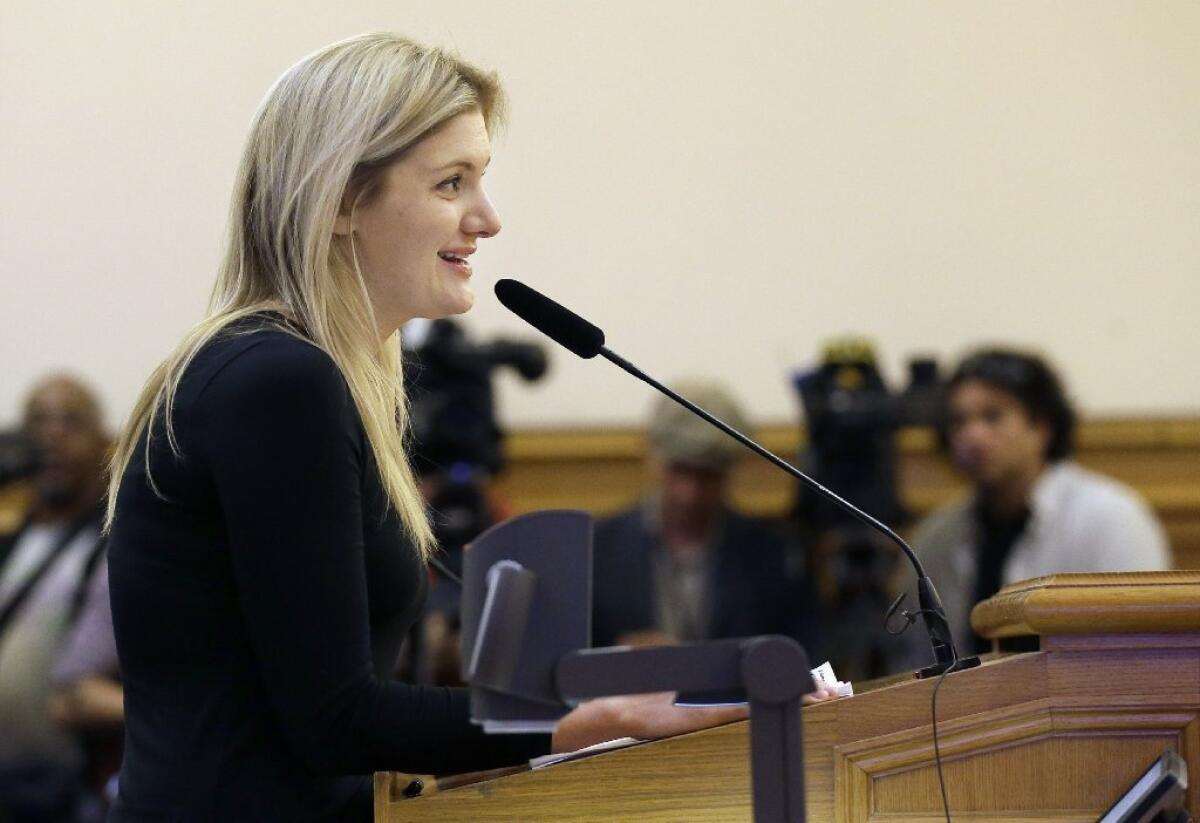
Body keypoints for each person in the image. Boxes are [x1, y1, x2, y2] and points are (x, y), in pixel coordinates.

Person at [103, 34, 837, 823]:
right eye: (452, 183)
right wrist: (593, 716)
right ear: (343, 200)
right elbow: (333, 720)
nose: (487, 219)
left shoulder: (293, 373)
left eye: (479, 180)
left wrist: (589, 697)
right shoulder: (279, 381)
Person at [910, 348, 1171, 655]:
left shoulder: (1111, 517)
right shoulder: (936, 536)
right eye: (959, 421)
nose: (973, 435)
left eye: (992, 416)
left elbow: (1144, 647)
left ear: (1041, 427)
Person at [591, 379, 823, 656]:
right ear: (650, 455)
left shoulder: (774, 556)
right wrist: (613, 662)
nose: (690, 494)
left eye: (708, 476)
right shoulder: (595, 550)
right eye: (680, 470)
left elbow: (804, 665)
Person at [0, 375, 110, 822]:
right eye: (39, 422)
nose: (52, 436)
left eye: (70, 422)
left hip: (65, 787)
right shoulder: (10, 537)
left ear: (102, 441)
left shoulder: (112, 544)